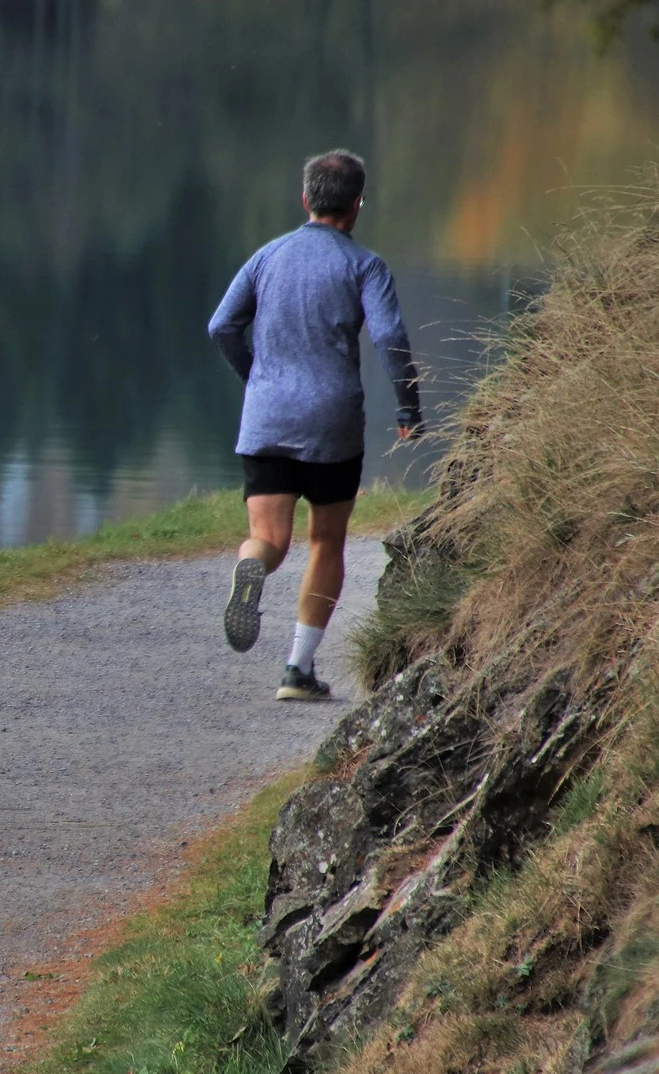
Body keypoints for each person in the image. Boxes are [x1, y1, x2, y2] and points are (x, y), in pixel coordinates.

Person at [205, 150, 423, 701]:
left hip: (268, 417)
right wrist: (408, 408)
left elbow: (222, 325)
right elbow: (390, 336)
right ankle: (298, 671)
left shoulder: (266, 257)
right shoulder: (365, 265)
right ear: (356, 206)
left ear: (305, 200)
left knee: (268, 537)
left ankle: (251, 565)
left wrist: (255, 376)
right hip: (332, 422)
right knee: (326, 542)